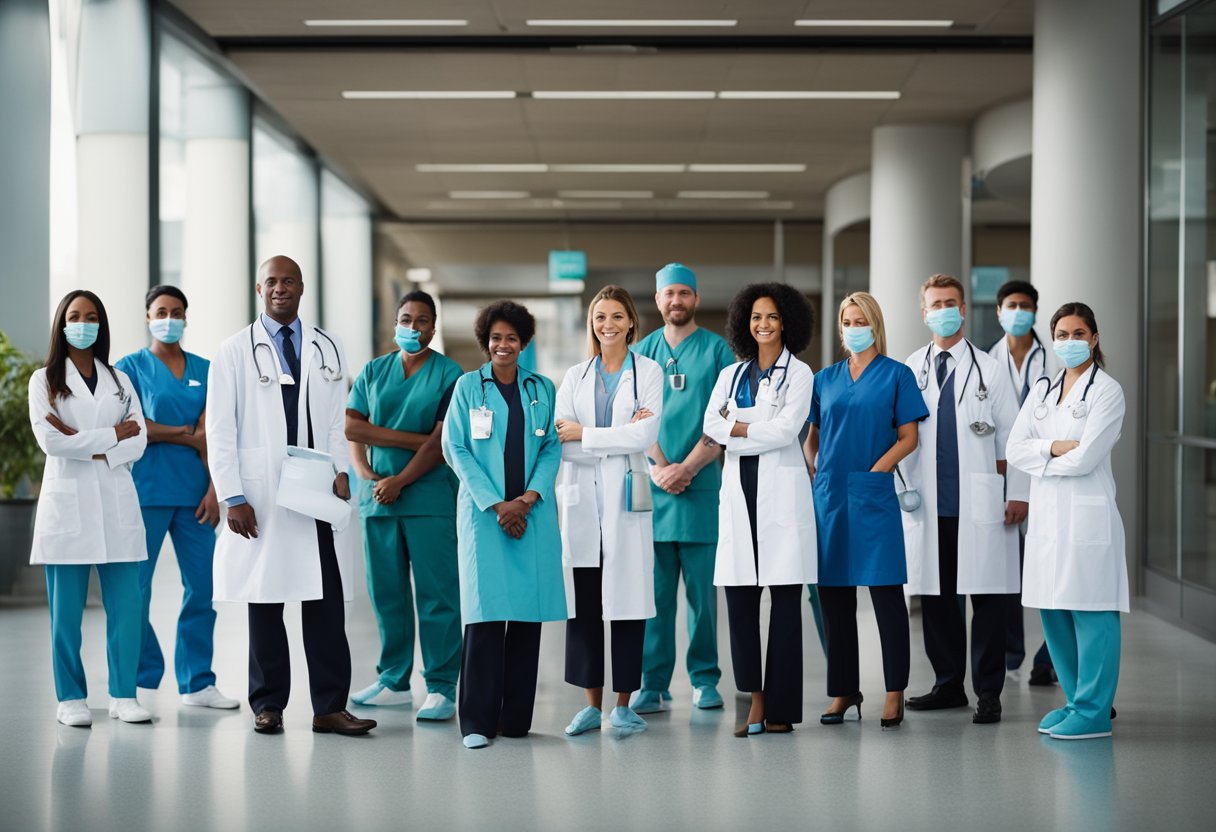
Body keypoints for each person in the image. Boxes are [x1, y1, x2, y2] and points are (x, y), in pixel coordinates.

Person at [206, 255, 374, 737]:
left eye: (289, 281)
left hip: (313, 488)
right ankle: (269, 704)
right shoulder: (234, 350)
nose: (281, 289)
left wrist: (341, 470)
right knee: (266, 598)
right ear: (259, 289)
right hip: (259, 493)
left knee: (325, 600)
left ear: (302, 288)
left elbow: (334, 419)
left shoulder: (325, 347)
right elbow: (219, 430)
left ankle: (329, 707)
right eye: (272, 282)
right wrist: (232, 495)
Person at [440, 300, 566, 750]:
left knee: (526, 617)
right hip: (485, 516)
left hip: (530, 515)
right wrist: (498, 505)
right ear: (485, 341)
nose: (503, 345)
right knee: (485, 617)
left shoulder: (542, 388)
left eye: (512, 338)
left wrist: (528, 500)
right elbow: (456, 449)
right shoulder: (468, 388)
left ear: (524, 342)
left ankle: (516, 719)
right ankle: (476, 721)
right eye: (495, 338)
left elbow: (551, 446)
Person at [901, 274, 1025, 725]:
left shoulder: (988, 369)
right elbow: (898, 436)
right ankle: (948, 683)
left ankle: (988, 691)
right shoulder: (911, 368)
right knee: (936, 596)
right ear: (924, 312)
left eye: (951, 302)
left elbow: (1014, 439)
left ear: (963, 308)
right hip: (928, 503)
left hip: (983, 503)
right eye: (936, 303)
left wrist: (1018, 494)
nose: (944, 310)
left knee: (987, 597)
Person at [29, 290, 152, 725]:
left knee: (127, 609)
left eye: (92, 316)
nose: (83, 323)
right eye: (75, 316)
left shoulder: (120, 380)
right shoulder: (43, 380)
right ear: (62, 324)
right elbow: (52, 443)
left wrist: (97, 442)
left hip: (116, 504)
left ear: (101, 325)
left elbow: (140, 440)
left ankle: (124, 695)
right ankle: (70, 699)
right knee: (65, 615)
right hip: (70, 508)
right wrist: (111, 437)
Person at [1006, 302, 1127, 740]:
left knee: (1092, 614)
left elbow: (1087, 459)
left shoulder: (1106, 391)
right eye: (1062, 334)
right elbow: (1014, 447)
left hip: (1087, 519)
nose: (1070, 342)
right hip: (1048, 523)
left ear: (1094, 338)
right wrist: (1054, 448)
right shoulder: (1042, 388)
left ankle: (1095, 712)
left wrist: (1042, 456)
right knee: (1054, 612)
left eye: (1079, 334)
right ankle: (1076, 702)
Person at [805, 292, 926, 729]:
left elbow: (908, 437)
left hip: (873, 494)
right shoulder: (825, 378)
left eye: (860, 320)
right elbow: (812, 434)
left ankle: (894, 692)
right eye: (846, 321)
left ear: (874, 324)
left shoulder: (898, 375)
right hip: (831, 495)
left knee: (886, 597)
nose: (853, 328)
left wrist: (877, 470)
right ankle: (844, 691)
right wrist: (815, 466)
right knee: (833, 598)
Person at [114, 285, 238, 711]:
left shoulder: (206, 368)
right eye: (161, 311)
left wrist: (214, 490)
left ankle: (198, 682)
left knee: (201, 589)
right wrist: (187, 433)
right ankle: (142, 677)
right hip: (143, 494)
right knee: (136, 591)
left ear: (187, 317)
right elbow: (134, 427)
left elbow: (217, 437)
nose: (169, 317)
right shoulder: (128, 368)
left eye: (177, 311)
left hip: (196, 497)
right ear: (147, 316)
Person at [703, 282, 817, 737]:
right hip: (738, 497)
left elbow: (788, 431)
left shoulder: (801, 374)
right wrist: (752, 428)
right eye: (755, 317)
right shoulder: (731, 375)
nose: (763, 324)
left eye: (770, 316)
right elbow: (711, 425)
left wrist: (738, 427)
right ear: (743, 324)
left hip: (781, 500)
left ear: (786, 321)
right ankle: (754, 700)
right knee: (741, 605)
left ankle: (782, 708)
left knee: (786, 609)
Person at [345, 290, 463, 720]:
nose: (412, 328)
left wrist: (399, 475)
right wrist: (366, 470)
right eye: (406, 319)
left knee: (438, 595)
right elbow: (351, 428)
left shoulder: (450, 374)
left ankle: (442, 685)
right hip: (378, 497)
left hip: (428, 497)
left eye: (422, 321)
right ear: (395, 322)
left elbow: (442, 445)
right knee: (386, 593)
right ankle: (394, 679)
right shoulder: (374, 371)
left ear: (434, 328)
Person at [555, 286, 663, 737]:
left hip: (625, 503)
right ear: (592, 324)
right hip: (582, 501)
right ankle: (589, 706)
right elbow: (562, 437)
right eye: (600, 317)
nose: (608, 325)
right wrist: (612, 435)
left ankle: (623, 705)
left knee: (627, 603)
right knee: (584, 606)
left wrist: (589, 434)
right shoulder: (575, 376)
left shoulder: (649, 372)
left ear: (631, 322)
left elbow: (643, 439)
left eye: (617, 316)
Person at [630, 263, 734, 714]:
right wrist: (660, 467)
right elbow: (635, 415)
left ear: (695, 298)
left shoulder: (717, 352)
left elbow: (725, 419)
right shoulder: (641, 352)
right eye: (669, 293)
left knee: (701, 599)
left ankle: (704, 678)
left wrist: (686, 469)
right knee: (652, 596)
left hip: (699, 490)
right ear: (658, 300)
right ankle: (652, 682)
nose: (677, 301)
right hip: (652, 491)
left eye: (685, 293)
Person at [988, 279, 1060, 685]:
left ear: (1035, 312)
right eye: (1011, 305)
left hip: (1049, 474)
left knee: (1053, 568)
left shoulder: (1052, 360)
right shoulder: (987, 361)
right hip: (1005, 478)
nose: (1018, 312)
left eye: (1025, 306)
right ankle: (1012, 653)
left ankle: (1047, 656)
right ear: (999, 312)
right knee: (1008, 574)